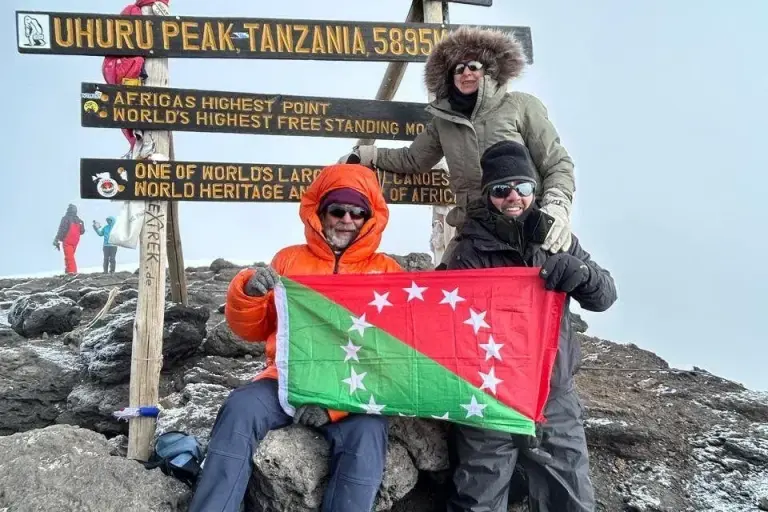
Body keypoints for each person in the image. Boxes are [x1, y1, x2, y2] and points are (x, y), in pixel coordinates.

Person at [188, 164, 404, 512]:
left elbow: (393, 353)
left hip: (353, 390)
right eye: (338, 210)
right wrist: (248, 293)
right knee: (240, 408)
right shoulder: (288, 260)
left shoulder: (388, 271)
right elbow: (253, 329)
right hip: (285, 379)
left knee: (368, 433)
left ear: (370, 218)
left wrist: (332, 407)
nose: (347, 219)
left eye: (358, 212)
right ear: (320, 213)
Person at [444, 140, 617, 512]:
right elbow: (444, 320)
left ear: (535, 191)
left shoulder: (557, 239)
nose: (513, 197)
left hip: (553, 394)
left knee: (572, 498)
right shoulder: (466, 251)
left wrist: (581, 273)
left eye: (522, 188)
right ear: (488, 194)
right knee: (479, 498)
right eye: (501, 190)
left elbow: (604, 296)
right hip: (488, 397)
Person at [339, 26, 576, 262]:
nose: (466, 73)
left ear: (490, 70)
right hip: (473, 231)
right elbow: (413, 159)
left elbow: (557, 163)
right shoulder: (443, 122)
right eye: (458, 69)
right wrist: (367, 154)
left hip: (524, 224)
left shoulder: (520, 106)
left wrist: (556, 208)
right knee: (445, 291)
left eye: (474, 66)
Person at [53, 204, 85, 275]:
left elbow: (62, 229)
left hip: (67, 240)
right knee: (70, 256)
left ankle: (72, 272)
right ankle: (68, 271)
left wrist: (57, 238)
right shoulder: (80, 221)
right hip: (75, 241)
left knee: (69, 257)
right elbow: (82, 231)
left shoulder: (65, 218)